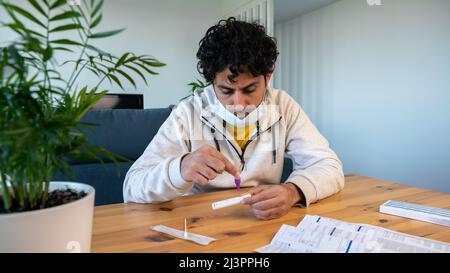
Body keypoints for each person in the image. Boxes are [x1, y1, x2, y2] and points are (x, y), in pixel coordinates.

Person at [123, 17, 344, 220]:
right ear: (211, 82)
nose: (239, 104)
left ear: (268, 76)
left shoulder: (282, 106)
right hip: (200, 224)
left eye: (250, 89)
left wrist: (293, 191)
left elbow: (329, 165)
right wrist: (179, 169)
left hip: (264, 222)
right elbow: (132, 187)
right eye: (226, 91)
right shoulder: (187, 113)